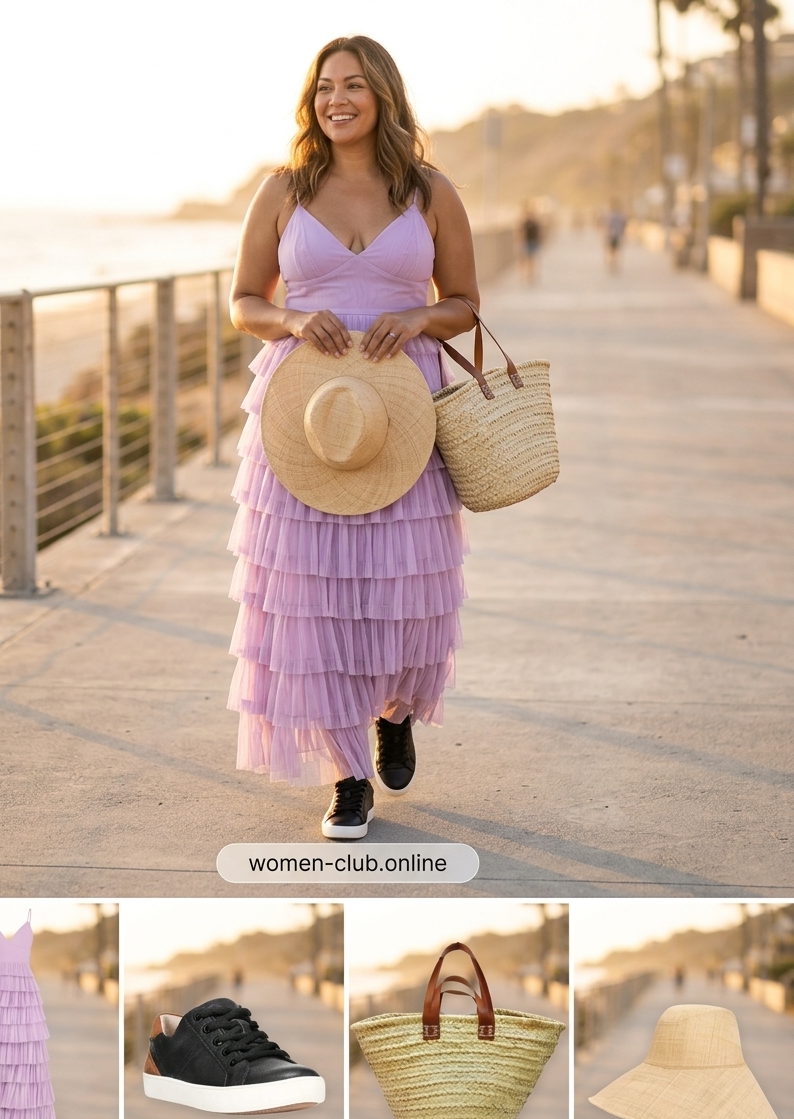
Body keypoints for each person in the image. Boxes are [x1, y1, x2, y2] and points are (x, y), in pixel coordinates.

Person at [228, 35, 479, 839]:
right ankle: (346, 775)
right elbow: (244, 302)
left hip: (407, 407)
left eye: (354, 86)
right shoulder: (283, 191)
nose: (338, 99)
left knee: (410, 594)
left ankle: (396, 709)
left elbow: (466, 302)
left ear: (383, 97)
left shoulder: (431, 191)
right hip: (308, 410)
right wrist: (294, 317)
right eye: (325, 86)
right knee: (315, 598)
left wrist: (417, 316)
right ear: (313, 101)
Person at [518, 203, 541, 284]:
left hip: (533, 242)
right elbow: (520, 232)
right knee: (524, 259)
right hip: (526, 242)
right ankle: (523, 275)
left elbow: (538, 234)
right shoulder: (524, 223)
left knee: (531, 259)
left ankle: (530, 275)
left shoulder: (535, 224)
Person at [604, 200, 627, 272]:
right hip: (618, 235)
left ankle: (612, 261)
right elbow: (624, 225)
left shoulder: (610, 215)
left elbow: (607, 226)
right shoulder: (621, 215)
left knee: (612, 250)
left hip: (612, 235)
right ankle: (614, 261)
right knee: (616, 249)